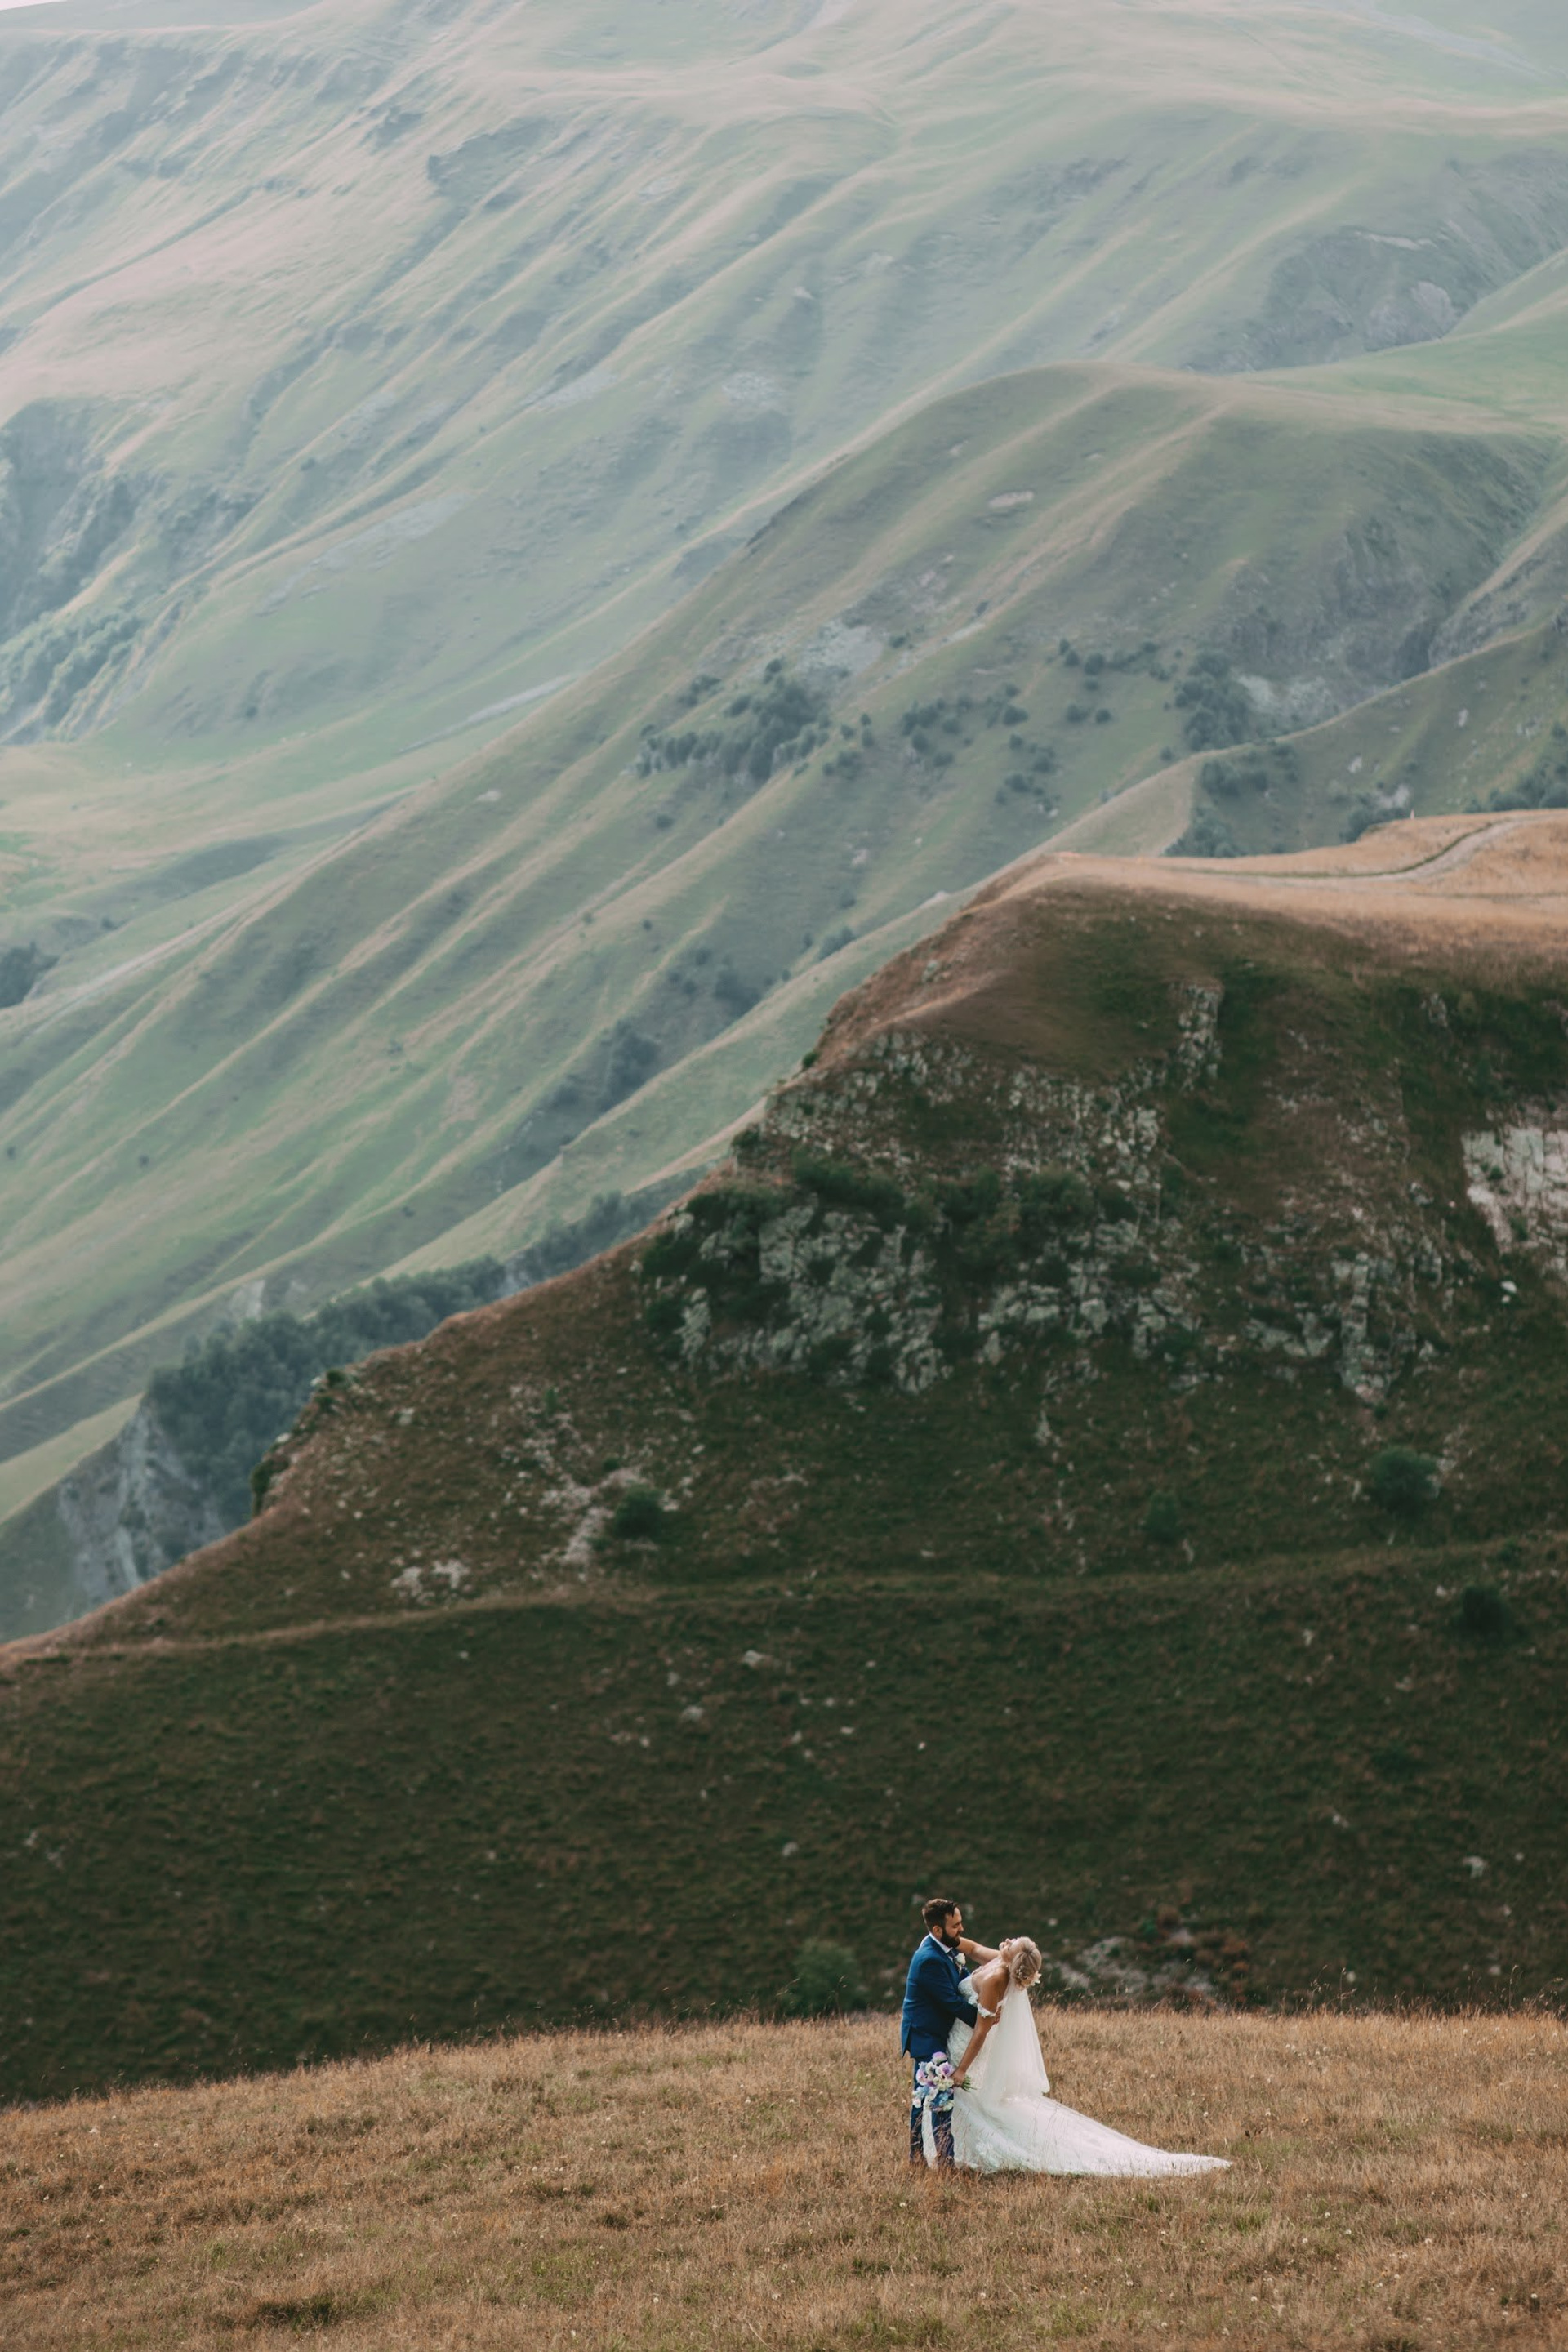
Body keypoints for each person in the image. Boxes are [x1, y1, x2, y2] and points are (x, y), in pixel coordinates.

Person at [944, 1937, 1232, 2176]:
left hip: (967, 2046)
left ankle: (956, 2147)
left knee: (972, 2101)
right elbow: (973, 1948)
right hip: (958, 2038)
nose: (1006, 1941)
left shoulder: (997, 1979)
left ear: (1012, 1958)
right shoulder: (1000, 1960)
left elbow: (982, 2031)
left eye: (1012, 1943)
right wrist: (941, 1941)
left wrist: (962, 2070)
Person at [900, 1896, 995, 2170]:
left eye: (960, 1922)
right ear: (937, 1929)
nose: (961, 1929)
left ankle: (923, 2155)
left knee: (926, 2095)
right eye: (955, 1925)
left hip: (936, 2030)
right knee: (936, 2094)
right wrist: (984, 2019)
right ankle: (940, 2159)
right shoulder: (930, 1960)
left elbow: (964, 1979)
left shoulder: (946, 1948)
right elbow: (951, 2002)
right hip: (925, 2034)